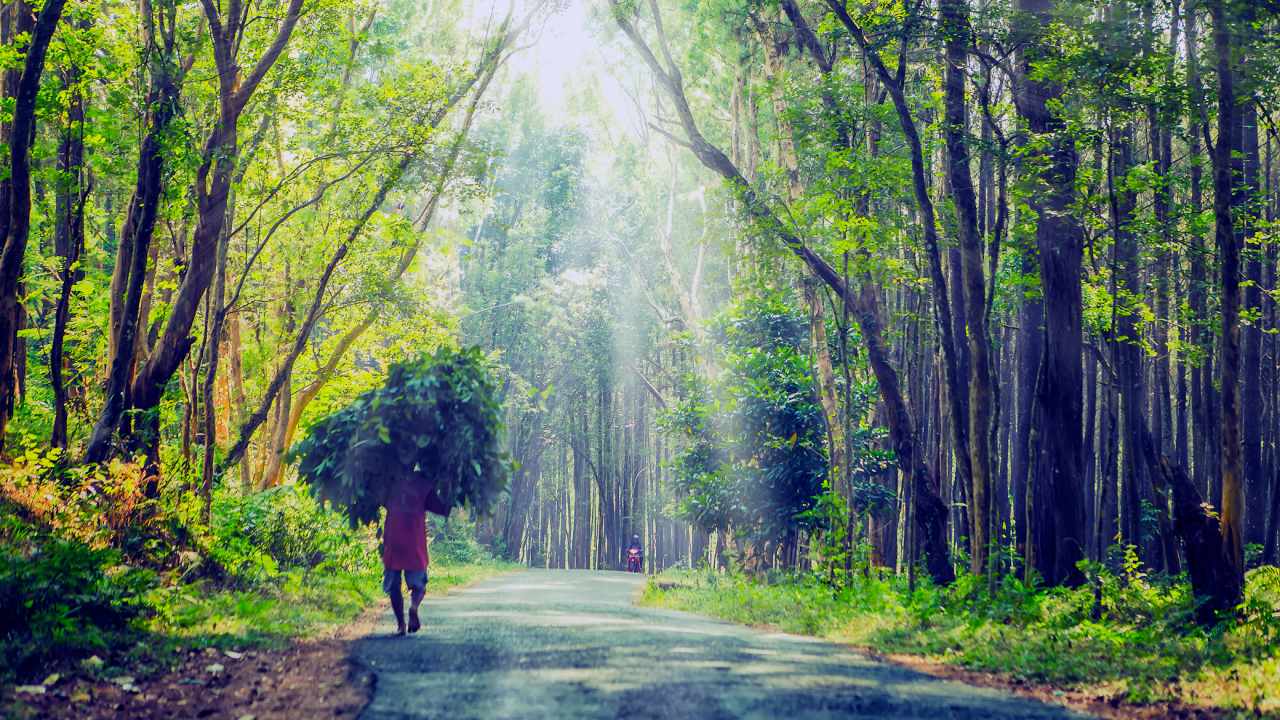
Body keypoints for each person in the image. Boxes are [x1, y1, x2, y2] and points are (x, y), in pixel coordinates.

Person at [381, 475, 433, 636]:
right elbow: (437, 502)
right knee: (418, 583)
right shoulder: (422, 482)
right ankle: (414, 607)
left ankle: (401, 625)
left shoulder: (388, 480)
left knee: (393, 585)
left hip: (393, 537)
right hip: (414, 539)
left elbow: (378, 499)